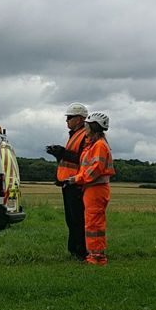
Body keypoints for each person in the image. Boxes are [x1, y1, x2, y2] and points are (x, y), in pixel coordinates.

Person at [65, 112, 115, 265]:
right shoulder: (93, 144)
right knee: (91, 222)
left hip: (96, 188)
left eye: (87, 125)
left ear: (93, 126)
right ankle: (94, 255)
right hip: (91, 188)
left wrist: (76, 179)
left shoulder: (99, 145)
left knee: (94, 224)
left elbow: (95, 170)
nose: (85, 128)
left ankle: (97, 257)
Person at [46, 103, 89, 261]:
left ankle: (80, 252)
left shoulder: (85, 134)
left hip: (77, 183)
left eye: (69, 118)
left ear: (79, 119)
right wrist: (58, 154)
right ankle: (73, 250)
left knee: (77, 219)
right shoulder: (74, 134)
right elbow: (70, 159)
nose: (67, 121)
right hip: (68, 183)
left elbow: (83, 159)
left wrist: (63, 153)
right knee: (71, 220)